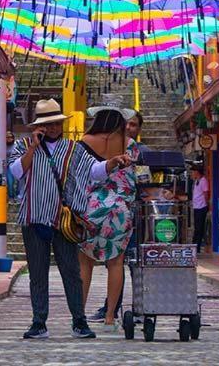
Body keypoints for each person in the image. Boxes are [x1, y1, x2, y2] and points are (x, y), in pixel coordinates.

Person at [8, 98, 130, 340]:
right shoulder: (23, 146)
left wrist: (112, 163)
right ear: (39, 126)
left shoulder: (74, 148)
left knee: (71, 272)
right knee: (38, 273)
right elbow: (15, 172)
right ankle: (38, 322)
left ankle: (79, 321)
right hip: (34, 218)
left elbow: (93, 171)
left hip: (64, 220)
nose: (53, 128)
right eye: (48, 124)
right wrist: (33, 147)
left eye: (56, 123)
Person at [78, 98, 138, 335]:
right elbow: (132, 179)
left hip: (90, 208)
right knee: (116, 263)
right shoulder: (130, 144)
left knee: (85, 262)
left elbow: (79, 176)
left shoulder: (83, 142)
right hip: (119, 210)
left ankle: (79, 313)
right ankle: (111, 317)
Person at [90, 110, 149, 324]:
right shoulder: (121, 146)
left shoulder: (140, 151)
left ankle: (137, 308)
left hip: (111, 208)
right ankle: (110, 312)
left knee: (90, 262)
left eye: (134, 125)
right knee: (116, 262)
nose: (129, 128)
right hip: (116, 210)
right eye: (127, 124)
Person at [191, 168, 209, 253]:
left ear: (197, 172)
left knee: (200, 227)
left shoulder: (203, 181)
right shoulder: (196, 181)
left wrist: (206, 204)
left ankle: (197, 245)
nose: (192, 174)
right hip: (196, 206)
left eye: (193, 172)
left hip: (202, 206)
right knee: (196, 226)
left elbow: (205, 193)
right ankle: (194, 244)